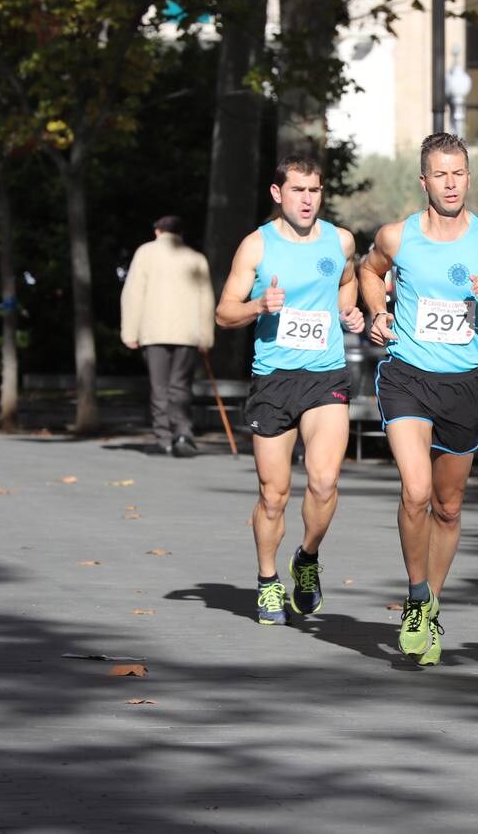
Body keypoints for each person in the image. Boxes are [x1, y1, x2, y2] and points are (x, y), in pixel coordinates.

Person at [358, 132, 478, 667]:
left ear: (468, 179)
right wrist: (376, 313)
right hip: (406, 374)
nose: (450, 184)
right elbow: (367, 271)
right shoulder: (397, 236)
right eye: (440, 174)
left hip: (461, 383)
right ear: (423, 180)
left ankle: (432, 603)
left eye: (459, 174)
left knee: (448, 508)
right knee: (416, 491)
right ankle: (413, 597)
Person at [215, 156, 365, 625]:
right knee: (274, 495)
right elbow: (223, 313)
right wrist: (259, 304)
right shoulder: (255, 247)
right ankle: (266, 580)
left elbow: (348, 283)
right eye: (298, 190)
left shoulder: (340, 241)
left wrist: (350, 312)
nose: (307, 199)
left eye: (315, 191)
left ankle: (306, 558)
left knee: (323, 481)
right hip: (274, 379)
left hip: (326, 376)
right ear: (278, 194)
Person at [120, 215, 215, 457]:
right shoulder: (196, 258)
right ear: (180, 233)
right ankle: (183, 432)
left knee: (159, 387)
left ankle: (163, 438)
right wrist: (206, 337)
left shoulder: (145, 253)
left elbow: (133, 293)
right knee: (181, 385)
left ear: (157, 231)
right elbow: (206, 300)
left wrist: (130, 330)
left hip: (154, 331)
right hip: (187, 333)